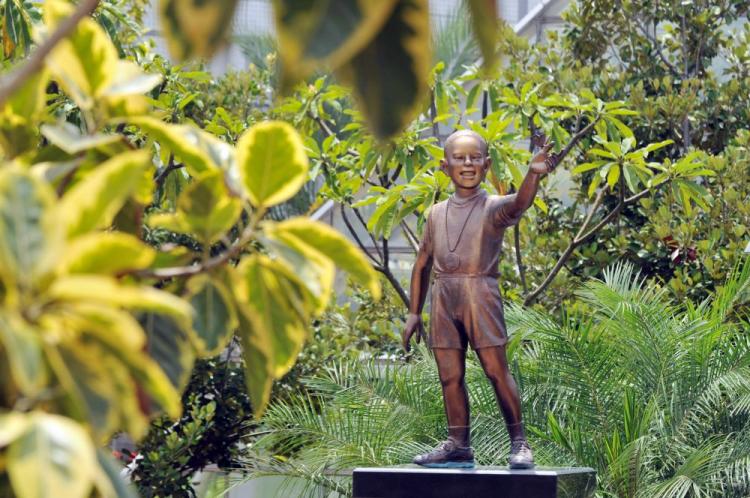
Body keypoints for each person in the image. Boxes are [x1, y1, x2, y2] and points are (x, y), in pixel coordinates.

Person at [402, 128, 557, 469]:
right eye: (459, 158)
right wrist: (414, 313)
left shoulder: (491, 208)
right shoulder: (435, 213)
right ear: (445, 167)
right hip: (444, 296)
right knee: (449, 375)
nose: (467, 164)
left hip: (479, 293)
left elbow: (519, 203)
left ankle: (519, 442)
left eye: (475, 158)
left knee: (495, 369)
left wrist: (532, 175)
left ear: (487, 166)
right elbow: (423, 262)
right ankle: (458, 442)